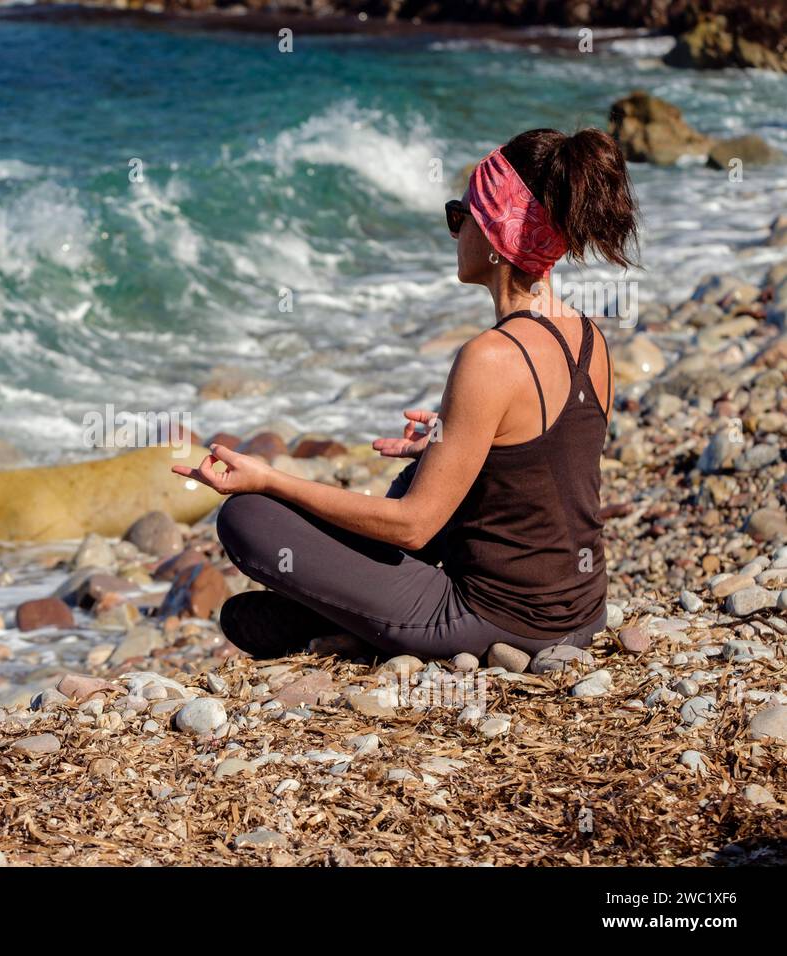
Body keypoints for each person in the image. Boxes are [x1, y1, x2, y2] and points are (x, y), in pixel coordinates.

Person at [175, 128, 639, 662]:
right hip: (582, 610)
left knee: (246, 518)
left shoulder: (490, 356)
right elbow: (548, 471)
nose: (454, 230)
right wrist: (456, 449)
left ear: (494, 233)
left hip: (498, 618)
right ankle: (348, 620)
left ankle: (352, 620)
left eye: (458, 215)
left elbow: (414, 527)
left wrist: (270, 479)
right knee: (422, 469)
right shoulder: (589, 338)